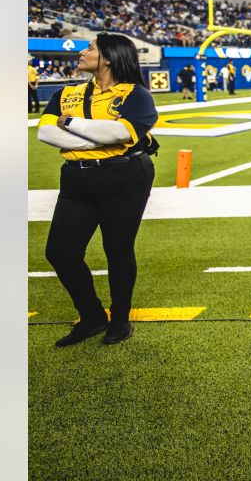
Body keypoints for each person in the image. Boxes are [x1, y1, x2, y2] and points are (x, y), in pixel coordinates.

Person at [35, 33, 159, 347]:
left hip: (125, 177)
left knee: (117, 251)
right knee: (60, 253)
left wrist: (70, 123)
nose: (82, 51)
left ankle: (120, 319)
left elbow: (119, 131)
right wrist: (97, 141)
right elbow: (45, 133)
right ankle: (92, 317)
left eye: (90, 47)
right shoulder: (67, 92)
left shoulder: (137, 95)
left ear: (108, 56)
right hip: (77, 178)